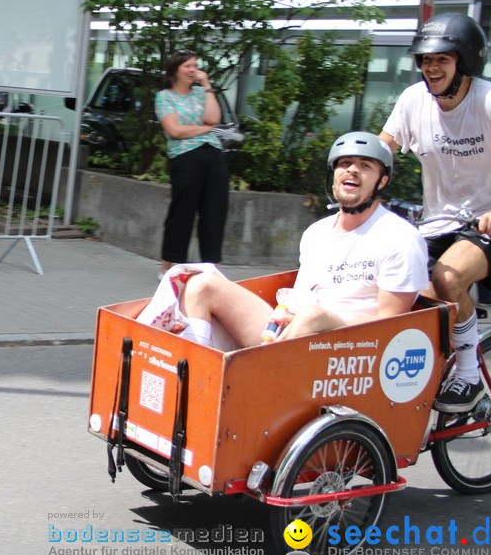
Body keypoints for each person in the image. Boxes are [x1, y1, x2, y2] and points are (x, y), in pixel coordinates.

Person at [168, 132, 429, 349]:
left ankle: (256, 373)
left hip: (351, 350)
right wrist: (286, 313)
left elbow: (390, 324)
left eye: (365, 165)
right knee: (202, 283)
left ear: (382, 181)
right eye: (344, 162)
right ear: (334, 174)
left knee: (312, 315)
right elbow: (301, 296)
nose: (352, 170)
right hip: (295, 335)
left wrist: (323, 321)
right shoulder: (316, 233)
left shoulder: (400, 237)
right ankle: (198, 373)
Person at [380, 12, 491, 413]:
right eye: (425, 59)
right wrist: (358, 166)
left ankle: (470, 376)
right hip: (441, 221)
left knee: (448, 276)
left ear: (465, 61)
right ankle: (424, 377)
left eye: (442, 59)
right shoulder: (413, 100)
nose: (431, 67)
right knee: (402, 294)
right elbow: (386, 143)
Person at [155, 49, 229, 275]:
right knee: (181, 213)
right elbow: (175, 130)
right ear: (175, 69)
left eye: (195, 66)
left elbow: (214, 118)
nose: (192, 70)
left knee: (215, 212)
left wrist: (206, 85)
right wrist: (206, 130)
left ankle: (211, 267)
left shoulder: (200, 93)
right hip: (185, 157)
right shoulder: (164, 97)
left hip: (213, 155)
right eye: (187, 66)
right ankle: (169, 265)